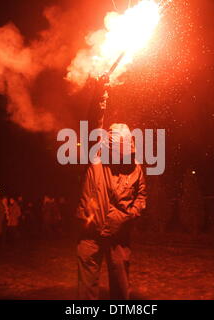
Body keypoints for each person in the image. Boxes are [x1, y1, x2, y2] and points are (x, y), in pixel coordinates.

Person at [76, 77, 147, 299]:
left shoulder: (136, 168)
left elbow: (141, 198)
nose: (123, 154)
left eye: (126, 149)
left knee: (121, 285)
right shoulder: (95, 157)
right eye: (118, 149)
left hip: (119, 235)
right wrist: (100, 94)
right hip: (90, 234)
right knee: (87, 288)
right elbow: (91, 123)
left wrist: (124, 216)